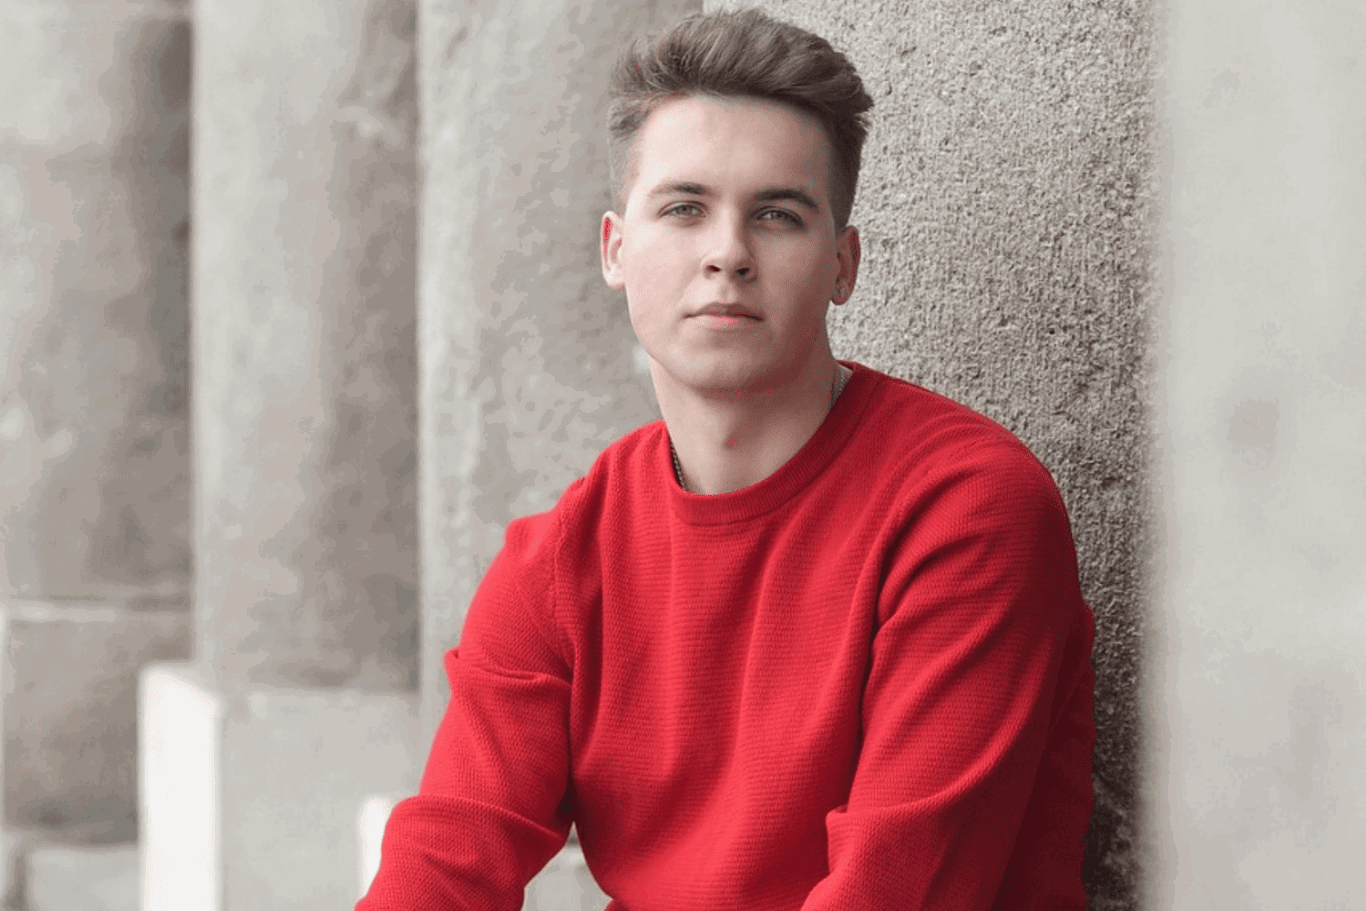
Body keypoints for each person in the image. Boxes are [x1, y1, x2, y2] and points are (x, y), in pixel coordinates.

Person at [358, 8, 1095, 910]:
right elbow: (441, 869)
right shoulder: (561, 559)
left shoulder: (968, 510)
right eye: (683, 208)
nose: (727, 255)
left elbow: (894, 894)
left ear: (843, 265)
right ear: (616, 250)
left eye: (778, 216)